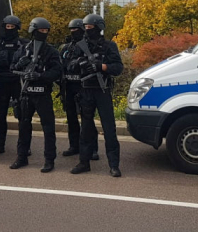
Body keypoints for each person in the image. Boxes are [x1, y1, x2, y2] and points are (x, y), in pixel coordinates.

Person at [69, 14, 124, 177]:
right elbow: (70, 65)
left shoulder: (109, 46)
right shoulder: (79, 46)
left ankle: (114, 165)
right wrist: (80, 63)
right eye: (85, 27)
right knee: (85, 129)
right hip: (85, 90)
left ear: (99, 28)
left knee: (109, 129)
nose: (87, 30)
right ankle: (84, 162)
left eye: (90, 28)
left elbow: (118, 68)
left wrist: (102, 66)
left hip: (102, 90)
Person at [9, 17, 61, 173]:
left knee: (48, 127)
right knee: (23, 126)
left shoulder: (51, 51)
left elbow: (57, 71)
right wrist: (21, 64)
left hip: (42, 93)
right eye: (40, 31)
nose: (43, 34)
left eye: (46, 31)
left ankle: (49, 160)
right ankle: (21, 157)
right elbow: (12, 68)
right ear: (33, 31)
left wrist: (40, 76)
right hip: (25, 93)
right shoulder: (23, 50)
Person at [0, 15, 28, 156]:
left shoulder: (24, 44)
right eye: (7, 27)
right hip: (3, 82)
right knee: (1, 115)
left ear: (17, 28)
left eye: (12, 27)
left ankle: (24, 147)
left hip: (18, 81)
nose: (9, 29)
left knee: (22, 115)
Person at [58, 19, 99, 160]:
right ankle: (74, 145)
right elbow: (60, 65)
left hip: (83, 86)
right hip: (68, 86)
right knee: (71, 118)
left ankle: (93, 148)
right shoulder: (66, 47)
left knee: (87, 118)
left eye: (76, 29)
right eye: (71, 30)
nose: (73, 32)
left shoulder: (88, 46)